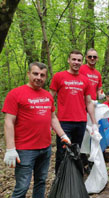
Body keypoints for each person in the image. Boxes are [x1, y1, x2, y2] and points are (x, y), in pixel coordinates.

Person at [2, 62, 71, 198]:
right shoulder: (15, 94)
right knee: (22, 186)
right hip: (24, 149)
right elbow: (8, 121)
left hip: (45, 148)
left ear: (45, 77)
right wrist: (10, 149)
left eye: (42, 75)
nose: (38, 77)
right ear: (28, 74)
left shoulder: (47, 95)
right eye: (35, 74)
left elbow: (53, 118)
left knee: (41, 182)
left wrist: (63, 135)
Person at [50, 50, 98, 173]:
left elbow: (89, 102)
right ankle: (60, 183)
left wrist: (94, 123)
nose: (76, 62)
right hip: (64, 123)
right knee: (62, 153)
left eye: (78, 60)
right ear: (69, 60)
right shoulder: (59, 77)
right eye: (74, 59)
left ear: (82, 62)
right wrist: (49, 120)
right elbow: (50, 99)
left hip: (80, 122)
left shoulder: (85, 80)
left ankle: (74, 180)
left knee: (76, 152)